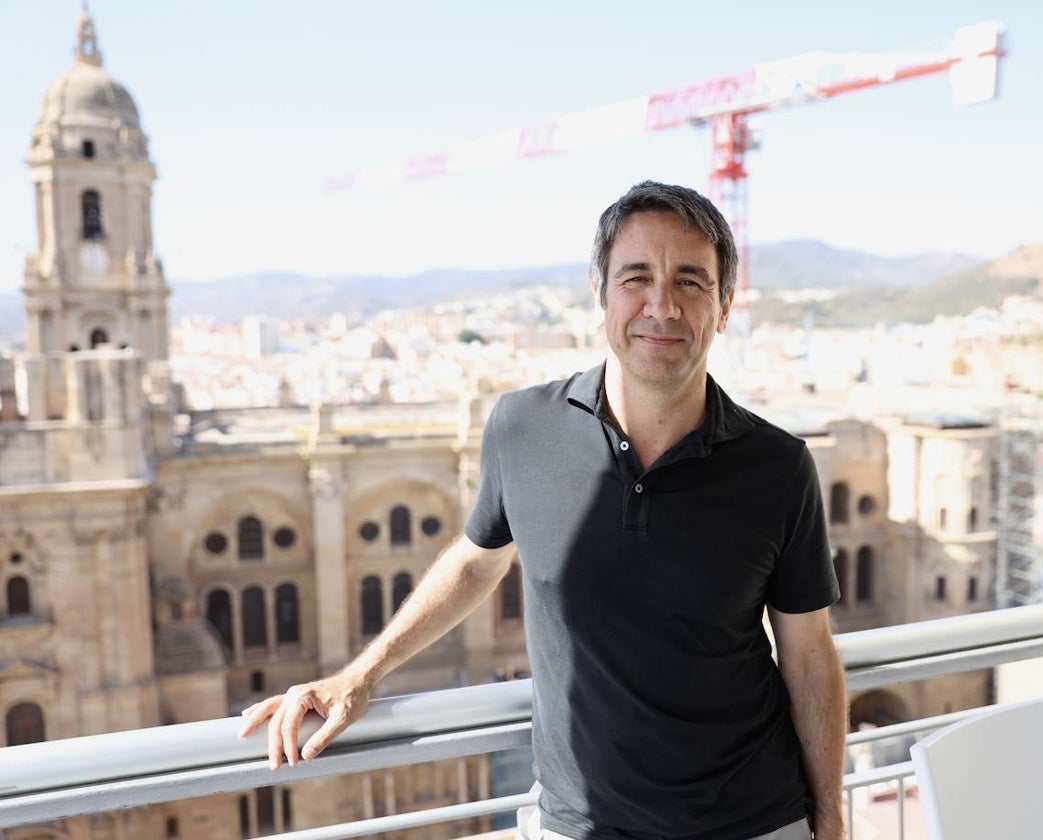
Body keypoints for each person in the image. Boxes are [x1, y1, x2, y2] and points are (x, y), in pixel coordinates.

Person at [239, 181, 847, 840]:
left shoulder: (778, 467)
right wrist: (359, 676)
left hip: (753, 822)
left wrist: (832, 818)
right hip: (580, 826)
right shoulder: (522, 427)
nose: (661, 305)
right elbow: (476, 564)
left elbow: (808, 656)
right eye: (636, 277)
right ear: (601, 296)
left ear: (725, 307)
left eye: (692, 283)